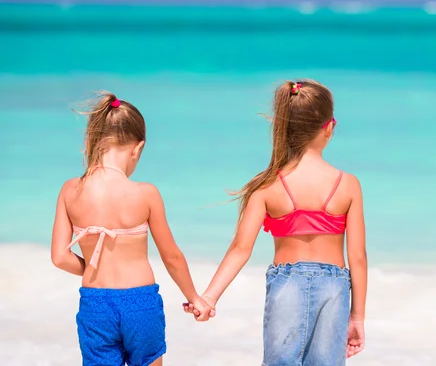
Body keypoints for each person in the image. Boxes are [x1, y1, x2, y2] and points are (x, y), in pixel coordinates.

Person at [186, 80, 368, 365]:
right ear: (329, 127)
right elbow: (357, 257)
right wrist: (357, 316)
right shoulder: (348, 185)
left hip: (287, 283)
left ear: (286, 129)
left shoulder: (268, 185)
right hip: (334, 287)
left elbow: (240, 249)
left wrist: (209, 297)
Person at [50, 92, 214, 366]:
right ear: (137, 149)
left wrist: (92, 265)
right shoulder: (146, 194)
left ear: (93, 140)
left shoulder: (70, 190)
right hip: (140, 302)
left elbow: (59, 257)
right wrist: (194, 297)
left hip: (96, 304)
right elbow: (171, 256)